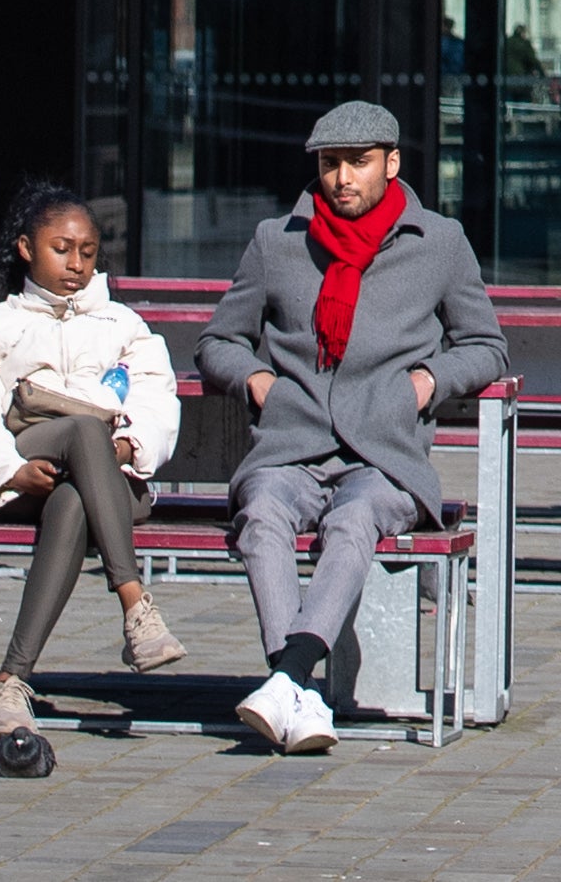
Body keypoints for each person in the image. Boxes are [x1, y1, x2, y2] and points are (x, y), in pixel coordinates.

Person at [197, 101, 503, 754]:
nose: (342, 177)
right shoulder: (276, 241)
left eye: (357, 162)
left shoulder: (439, 241)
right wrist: (260, 384)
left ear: (391, 163)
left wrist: (427, 381)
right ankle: (300, 693)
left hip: (385, 453)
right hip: (292, 442)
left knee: (354, 519)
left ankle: (288, 677)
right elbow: (220, 341)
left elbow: (485, 346)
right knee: (262, 514)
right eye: (330, 163)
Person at [0, 183, 189, 742]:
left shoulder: (123, 325)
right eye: (61, 248)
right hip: (28, 474)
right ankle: (134, 603)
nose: (76, 264)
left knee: (77, 495)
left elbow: (155, 401)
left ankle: (10, 683)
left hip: (109, 484)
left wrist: (124, 448)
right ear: (27, 248)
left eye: (88, 251)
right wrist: (9, 471)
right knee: (80, 429)